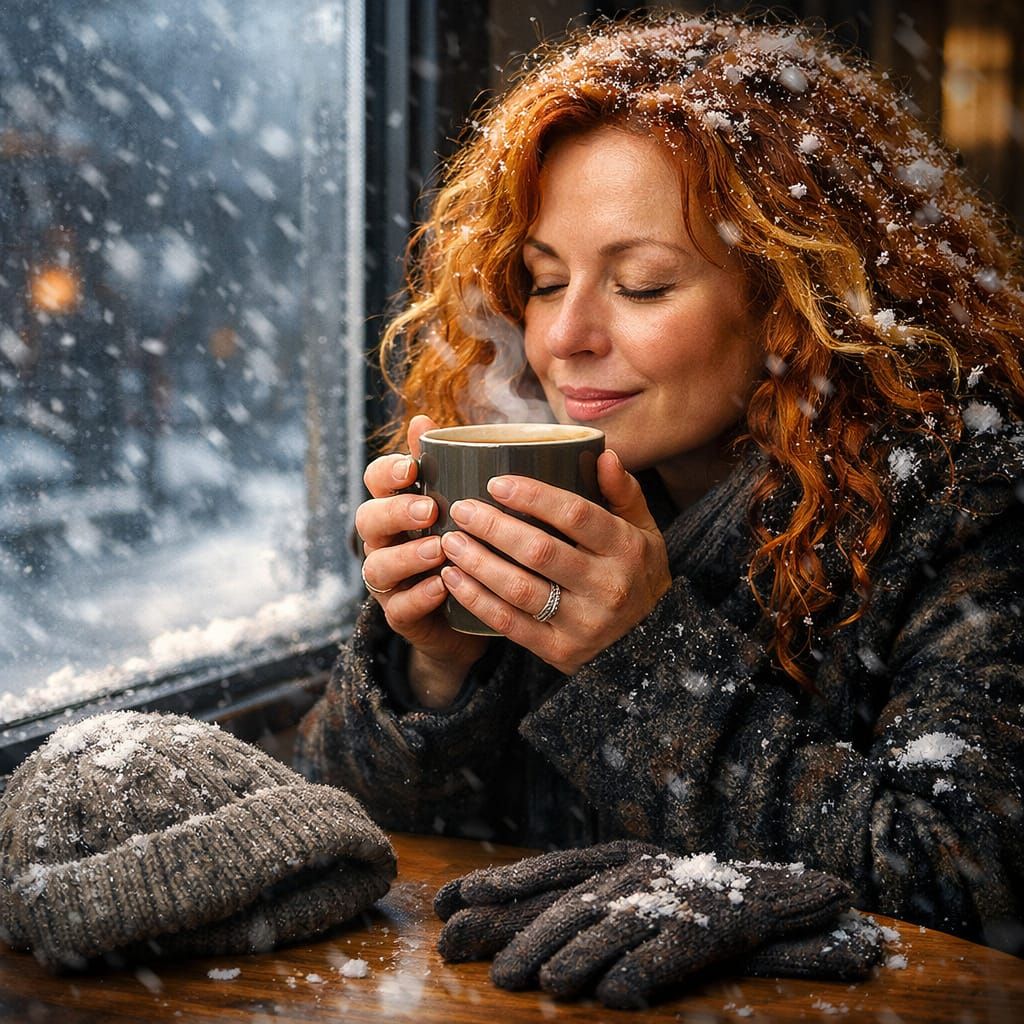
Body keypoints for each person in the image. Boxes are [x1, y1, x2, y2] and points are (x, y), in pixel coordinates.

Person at [295, 10, 1024, 954]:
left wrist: (633, 661)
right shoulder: (532, 471)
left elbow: (972, 884)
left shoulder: (967, 511)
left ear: (794, 305)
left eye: (640, 285)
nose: (563, 338)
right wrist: (432, 669)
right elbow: (335, 843)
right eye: (545, 279)